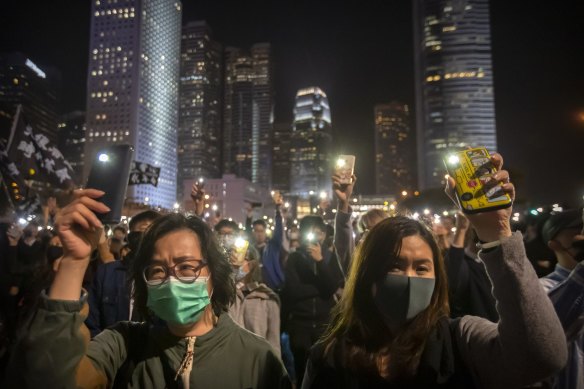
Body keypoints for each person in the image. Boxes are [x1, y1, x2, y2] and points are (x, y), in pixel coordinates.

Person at [302, 153, 567, 388]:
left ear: (437, 278)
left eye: (421, 268)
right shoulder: (329, 357)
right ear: (367, 273)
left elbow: (541, 357)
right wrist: (343, 210)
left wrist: (497, 234)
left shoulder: (460, 341)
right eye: (395, 265)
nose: (409, 277)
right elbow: (348, 255)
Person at [6, 189, 290, 388]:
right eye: (157, 270)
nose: (171, 280)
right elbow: (43, 378)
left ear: (214, 274)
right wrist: (74, 261)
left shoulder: (259, 358)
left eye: (187, 267)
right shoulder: (123, 344)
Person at [282, 214, 345, 385]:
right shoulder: (294, 258)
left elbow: (334, 285)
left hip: (325, 323)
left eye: (318, 233)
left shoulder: (331, 258)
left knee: (327, 372)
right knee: (302, 371)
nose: (314, 237)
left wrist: (320, 261)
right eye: (309, 233)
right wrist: (321, 288)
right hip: (301, 324)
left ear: (324, 235)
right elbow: (294, 291)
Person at [86, 209, 161, 337]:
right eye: (139, 235)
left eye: (151, 235)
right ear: (130, 238)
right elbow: (90, 324)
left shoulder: (169, 279)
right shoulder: (106, 274)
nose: (144, 241)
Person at [539, 209, 584, 389]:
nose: (582, 232)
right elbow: (550, 328)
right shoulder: (543, 287)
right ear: (554, 244)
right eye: (577, 228)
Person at [446, 213, 498, 322]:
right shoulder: (462, 262)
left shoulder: (501, 264)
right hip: (474, 334)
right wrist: (461, 229)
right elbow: (452, 282)